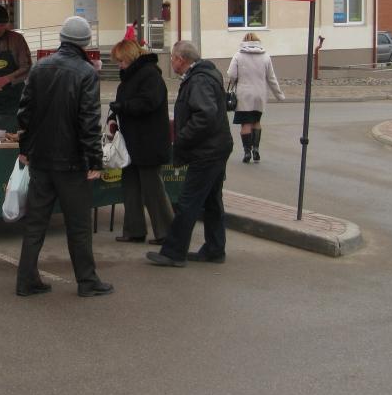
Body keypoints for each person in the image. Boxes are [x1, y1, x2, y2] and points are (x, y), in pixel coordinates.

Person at [15, 16, 113, 298]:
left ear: (61, 38)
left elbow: (25, 113)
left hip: (42, 159)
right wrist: (94, 161)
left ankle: (26, 279)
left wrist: (26, 148)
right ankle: (87, 281)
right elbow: (88, 122)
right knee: (79, 225)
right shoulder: (86, 72)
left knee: (35, 222)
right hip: (71, 163)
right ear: (85, 43)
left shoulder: (40, 68)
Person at [147, 40, 233, 267]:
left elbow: (205, 115)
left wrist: (182, 136)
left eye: (173, 58)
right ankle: (215, 249)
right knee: (212, 200)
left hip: (207, 151)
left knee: (188, 201)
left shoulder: (200, 79)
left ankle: (174, 252)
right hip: (216, 147)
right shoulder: (205, 75)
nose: (172, 61)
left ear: (181, 59)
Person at [107, 39, 173, 245]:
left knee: (152, 189)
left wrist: (122, 107)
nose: (119, 65)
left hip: (148, 142)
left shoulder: (150, 75)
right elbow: (119, 103)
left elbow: (148, 103)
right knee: (131, 187)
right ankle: (134, 230)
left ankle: (167, 232)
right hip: (132, 142)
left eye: (121, 61)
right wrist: (112, 117)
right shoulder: (131, 77)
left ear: (129, 57)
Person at [227, 32, 285, 163]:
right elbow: (271, 78)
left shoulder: (238, 55)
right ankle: (256, 149)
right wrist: (279, 95)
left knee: (245, 124)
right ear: (258, 41)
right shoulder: (265, 56)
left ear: (244, 41)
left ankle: (247, 152)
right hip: (259, 95)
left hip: (243, 95)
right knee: (256, 122)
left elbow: (232, 74)